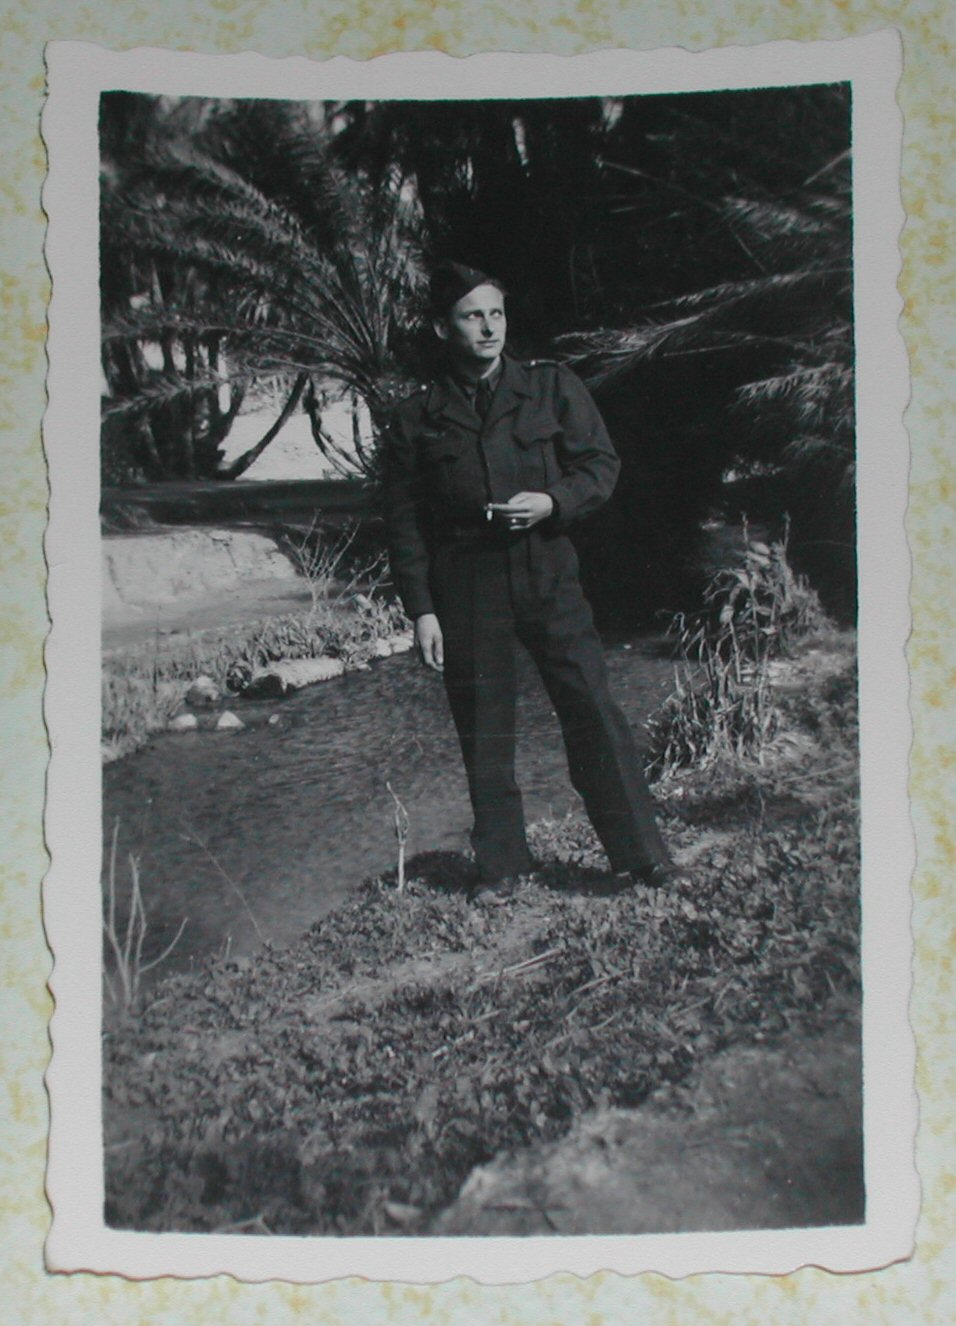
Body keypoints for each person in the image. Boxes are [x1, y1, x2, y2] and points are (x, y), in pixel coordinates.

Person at [384, 260, 685, 903]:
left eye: (496, 313)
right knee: (485, 728)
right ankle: (502, 867)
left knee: (592, 709)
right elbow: (404, 520)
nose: (488, 327)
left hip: (548, 571)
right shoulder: (418, 415)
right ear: (442, 328)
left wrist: (553, 502)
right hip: (467, 583)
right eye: (472, 316)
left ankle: (641, 856)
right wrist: (422, 610)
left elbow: (599, 465)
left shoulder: (550, 387)